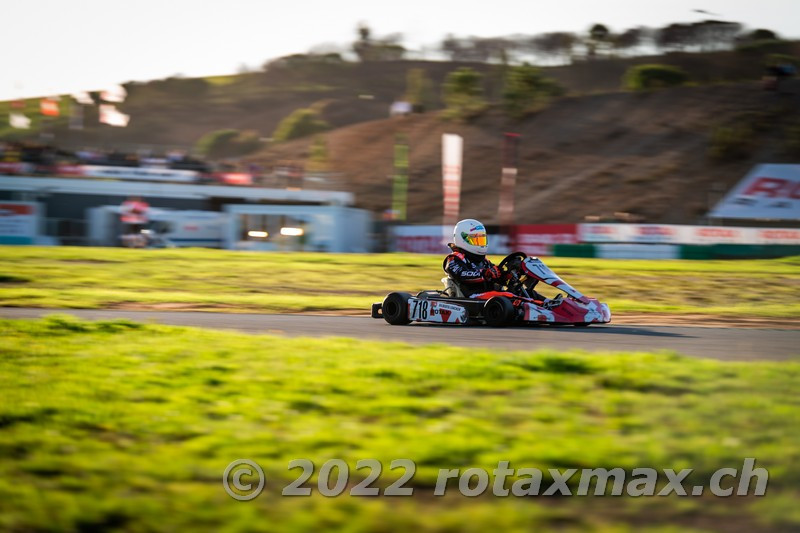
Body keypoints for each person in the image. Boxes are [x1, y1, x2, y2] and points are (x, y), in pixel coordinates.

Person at [443, 218, 551, 302]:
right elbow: (462, 274)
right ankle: (539, 308)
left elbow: (496, 276)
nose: (480, 243)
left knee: (525, 292)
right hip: (472, 297)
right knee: (508, 297)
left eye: (481, 239)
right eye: (475, 239)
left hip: (490, 296)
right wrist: (485, 274)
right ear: (462, 239)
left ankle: (550, 304)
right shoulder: (454, 259)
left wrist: (508, 275)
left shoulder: (483, 261)